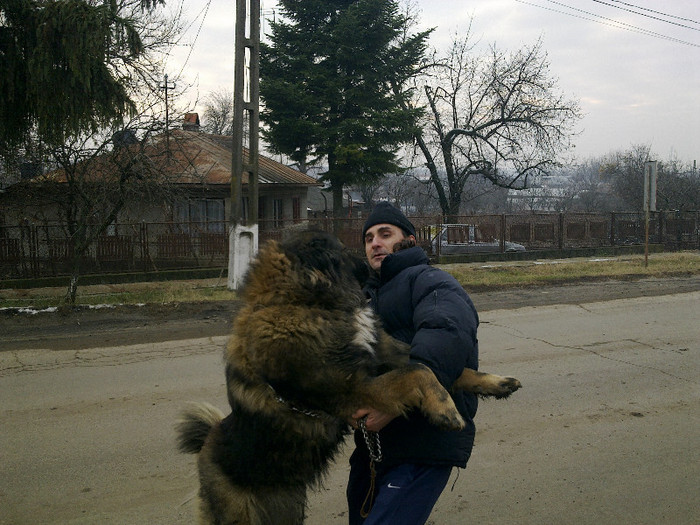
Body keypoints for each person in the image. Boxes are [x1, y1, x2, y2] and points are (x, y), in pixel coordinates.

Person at [346, 201, 480, 525]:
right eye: (368, 238)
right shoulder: (360, 298)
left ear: (408, 239)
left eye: (385, 234)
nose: (375, 242)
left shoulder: (430, 281)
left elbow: (446, 333)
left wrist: (394, 402)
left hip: (422, 445)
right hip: (373, 452)